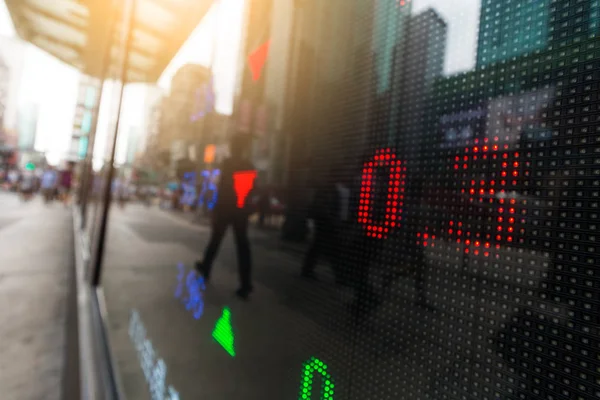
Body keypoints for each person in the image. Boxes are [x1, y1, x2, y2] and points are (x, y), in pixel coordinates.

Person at [195, 133, 255, 300]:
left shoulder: (228, 164)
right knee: (243, 246)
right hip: (241, 209)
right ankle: (245, 284)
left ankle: (205, 268)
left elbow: (222, 188)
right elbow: (251, 189)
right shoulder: (248, 164)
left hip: (226, 208)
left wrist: (216, 208)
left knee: (215, 239)